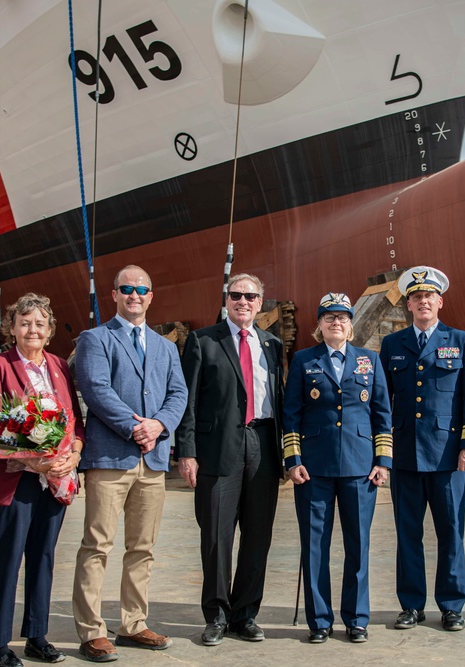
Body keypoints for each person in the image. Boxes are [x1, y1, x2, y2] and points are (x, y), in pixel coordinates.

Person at [72, 265, 188, 662]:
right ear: (114, 294)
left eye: (141, 289)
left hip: (152, 462)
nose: (134, 295)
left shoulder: (166, 347)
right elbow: (95, 389)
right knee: (97, 544)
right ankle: (91, 631)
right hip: (110, 457)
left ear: (151, 296)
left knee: (142, 547)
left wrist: (158, 425)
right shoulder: (94, 338)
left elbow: (178, 394)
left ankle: (133, 623)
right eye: (127, 288)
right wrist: (134, 428)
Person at [0, 293, 86, 667]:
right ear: (11, 329)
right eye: (24, 323)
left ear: (50, 331)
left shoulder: (57, 365)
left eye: (39, 324)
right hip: (16, 478)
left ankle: (37, 635)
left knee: (43, 555)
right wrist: (35, 459)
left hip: (56, 478)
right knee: (9, 556)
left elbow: (76, 420)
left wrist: (74, 454)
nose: (31, 330)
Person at [174, 273, 285, 646]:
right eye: (236, 295)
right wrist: (186, 451)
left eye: (250, 296)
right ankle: (217, 615)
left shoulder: (272, 344)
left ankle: (246, 614)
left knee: (258, 537)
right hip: (217, 448)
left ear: (260, 301)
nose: (243, 301)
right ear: (227, 299)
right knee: (216, 537)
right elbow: (186, 402)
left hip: (263, 444)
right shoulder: (203, 341)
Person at [379, 267, 465, 632]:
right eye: (416, 298)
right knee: (408, 534)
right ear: (408, 304)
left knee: (451, 532)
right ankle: (411, 605)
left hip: (448, 456)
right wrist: (381, 452)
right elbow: (381, 401)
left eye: (429, 297)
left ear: (440, 302)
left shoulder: (462, 341)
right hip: (406, 455)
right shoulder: (392, 346)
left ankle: (452, 605)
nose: (423, 302)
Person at [283, 292, 392, 644]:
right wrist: (293, 460)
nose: (336, 323)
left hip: (361, 468)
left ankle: (357, 619)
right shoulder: (303, 360)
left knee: (357, 545)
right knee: (315, 547)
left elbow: (382, 415)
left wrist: (383, 462)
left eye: (343, 317)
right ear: (320, 324)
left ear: (351, 324)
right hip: (314, 469)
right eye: (329, 317)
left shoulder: (369, 361)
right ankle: (319, 621)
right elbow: (292, 414)